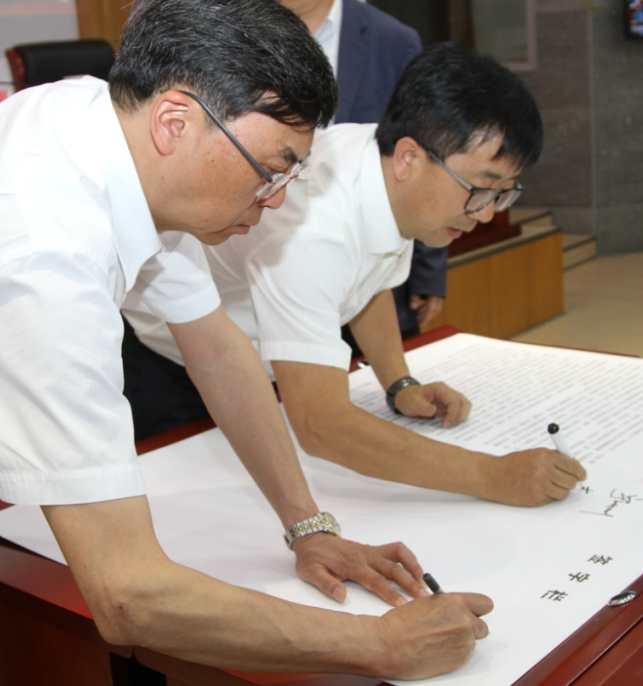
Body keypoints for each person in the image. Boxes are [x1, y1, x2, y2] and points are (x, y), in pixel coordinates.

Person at [0, 0, 493, 684]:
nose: (279, 199)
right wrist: (378, 645)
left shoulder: (107, 125)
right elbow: (128, 597)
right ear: (176, 121)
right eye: (271, 168)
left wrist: (308, 527)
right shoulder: (38, 257)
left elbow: (216, 349)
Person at [124, 42, 588, 506]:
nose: (485, 213)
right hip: (179, 371)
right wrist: (492, 475)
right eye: (480, 189)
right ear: (408, 158)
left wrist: (399, 383)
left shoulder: (388, 169)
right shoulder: (312, 231)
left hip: (271, 364)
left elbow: (367, 283)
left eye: (502, 194)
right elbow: (321, 424)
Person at [254, 0, 449, 340]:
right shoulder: (240, 33)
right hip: (266, 263)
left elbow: (424, 152)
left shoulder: (392, 41)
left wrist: (428, 272)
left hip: (366, 270)